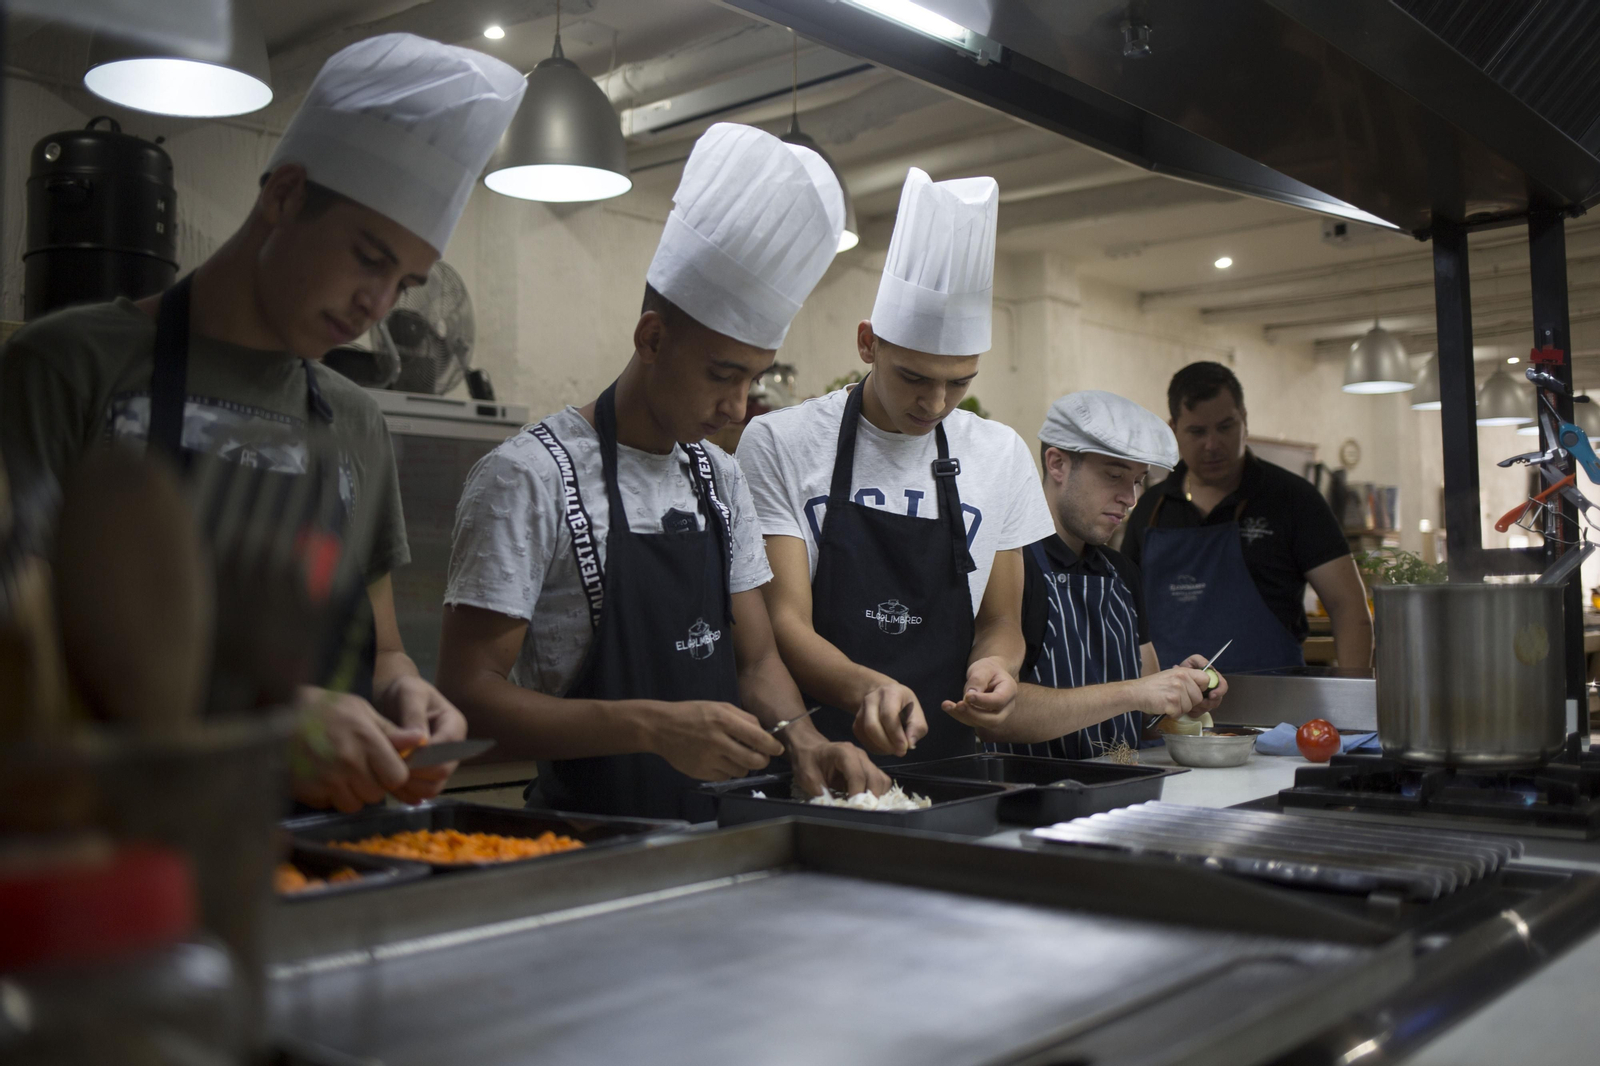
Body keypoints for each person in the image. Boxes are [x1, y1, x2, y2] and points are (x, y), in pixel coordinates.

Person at [0, 34, 523, 810]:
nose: (378, 304)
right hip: (106, 837)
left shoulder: (354, 422)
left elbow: (382, 649)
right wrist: (264, 726)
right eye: (368, 257)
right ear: (284, 195)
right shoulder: (68, 366)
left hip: (310, 847)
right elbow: (18, 650)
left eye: (405, 284)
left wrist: (407, 695)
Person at [437, 123, 887, 820]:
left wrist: (804, 741)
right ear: (652, 338)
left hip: (722, 831)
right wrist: (648, 726)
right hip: (585, 838)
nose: (737, 407)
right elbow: (467, 699)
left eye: (754, 379)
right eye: (722, 375)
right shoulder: (530, 478)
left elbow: (755, 663)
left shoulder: (719, 479)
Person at [737, 168, 1055, 763]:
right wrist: (867, 689)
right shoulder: (781, 441)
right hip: (821, 754)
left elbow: (1001, 619)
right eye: (913, 377)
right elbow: (783, 622)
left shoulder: (1001, 453)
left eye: (959, 383)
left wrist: (996, 666)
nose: (934, 403)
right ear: (869, 343)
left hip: (953, 759)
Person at [976, 391, 1228, 759]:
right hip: (1032, 789)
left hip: (1123, 783)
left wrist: (1181, 694)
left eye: (1138, 481)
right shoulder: (1008, 565)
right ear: (1057, 464)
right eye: (1114, 476)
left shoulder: (1122, 574)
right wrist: (1134, 692)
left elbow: (1146, 717)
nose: (1130, 498)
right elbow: (995, 713)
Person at [1124, 362, 1373, 672]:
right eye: (1197, 431)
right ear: (1173, 429)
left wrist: (1354, 694)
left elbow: (1347, 606)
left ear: (1244, 420)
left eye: (1225, 427)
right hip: (1172, 700)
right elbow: (1123, 613)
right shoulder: (1150, 509)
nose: (1212, 444)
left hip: (1277, 697)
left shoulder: (1293, 499)